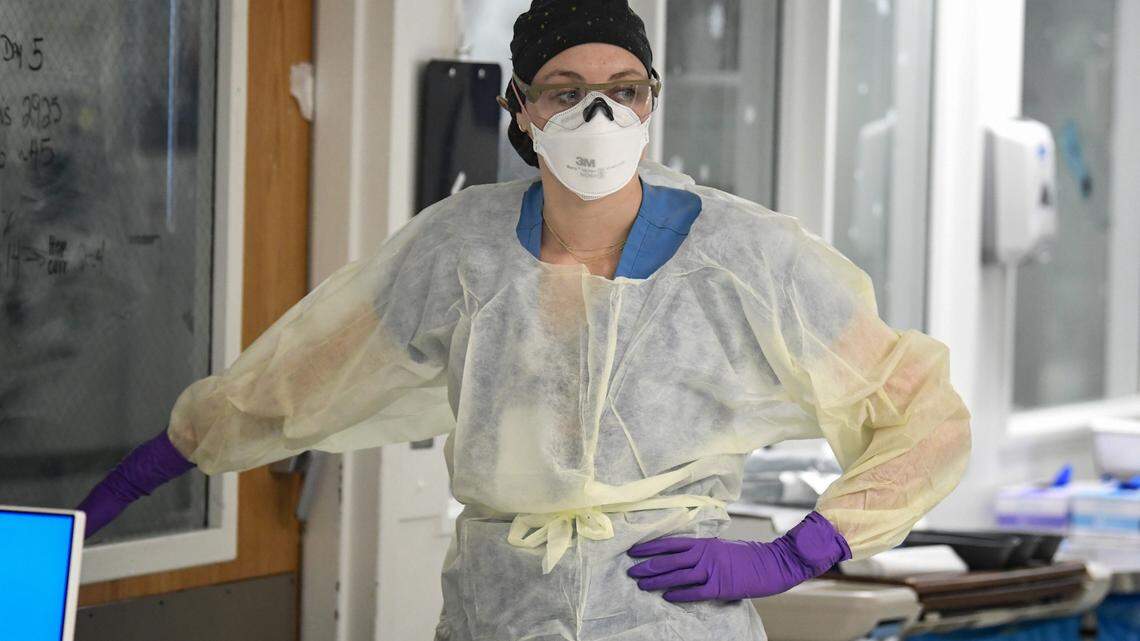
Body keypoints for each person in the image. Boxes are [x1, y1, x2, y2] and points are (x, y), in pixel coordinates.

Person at [77, 1, 972, 639]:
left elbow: (921, 414)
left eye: (624, 88)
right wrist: (166, 458)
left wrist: (792, 554)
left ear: (652, 100)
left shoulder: (747, 257)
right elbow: (305, 376)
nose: (598, 114)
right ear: (520, 110)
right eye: (563, 91)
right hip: (495, 615)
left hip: (667, 620)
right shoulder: (457, 252)